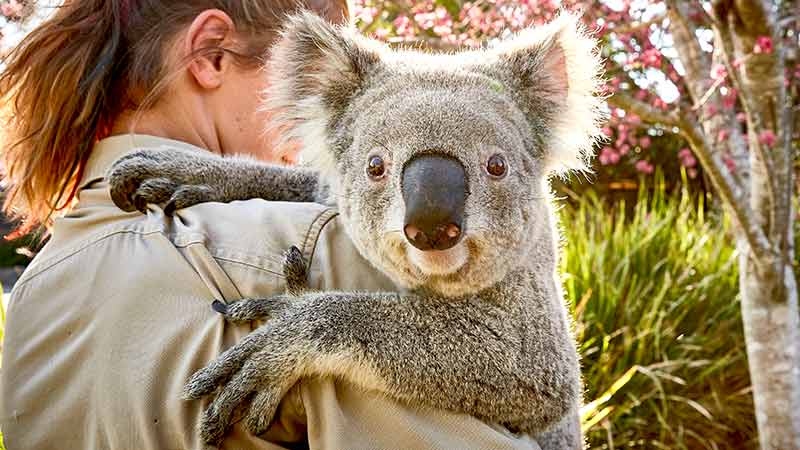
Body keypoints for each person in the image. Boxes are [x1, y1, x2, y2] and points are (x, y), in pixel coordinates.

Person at [0, 1, 542, 449]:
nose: (320, 135)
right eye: (306, 85)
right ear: (211, 54)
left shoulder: (35, 295)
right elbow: (526, 376)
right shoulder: (322, 252)